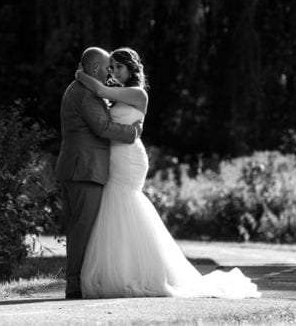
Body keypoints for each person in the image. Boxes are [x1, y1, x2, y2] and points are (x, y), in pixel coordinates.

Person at [75, 47, 260, 298]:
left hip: (129, 158)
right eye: (112, 66)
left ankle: (144, 273)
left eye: (118, 67)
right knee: (115, 208)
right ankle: (124, 271)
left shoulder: (137, 94)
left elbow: (100, 90)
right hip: (116, 156)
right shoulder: (117, 98)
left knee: (124, 202)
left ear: (131, 69)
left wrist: (80, 74)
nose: (113, 71)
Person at [55, 46, 143, 300]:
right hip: (85, 169)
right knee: (83, 229)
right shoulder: (85, 95)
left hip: (80, 167)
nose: (109, 73)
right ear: (95, 68)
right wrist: (133, 132)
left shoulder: (81, 89)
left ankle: (79, 282)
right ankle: (76, 287)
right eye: (107, 67)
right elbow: (103, 127)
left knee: (80, 228)